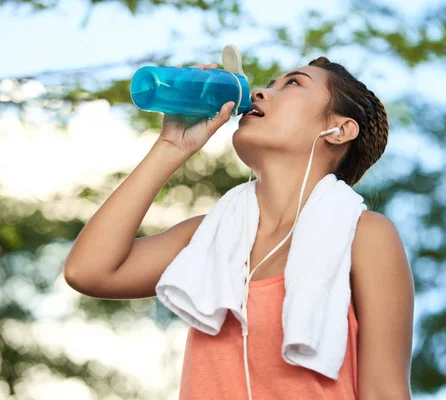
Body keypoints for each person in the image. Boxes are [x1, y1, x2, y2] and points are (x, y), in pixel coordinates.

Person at [63, 58, 414, 399]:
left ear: (339, 130)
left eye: (292, 83)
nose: (259, 92)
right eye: (270, 83)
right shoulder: (209, 237)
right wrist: (171, 146)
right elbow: (88, 271)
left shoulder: (364, 235)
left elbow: (384, 392)